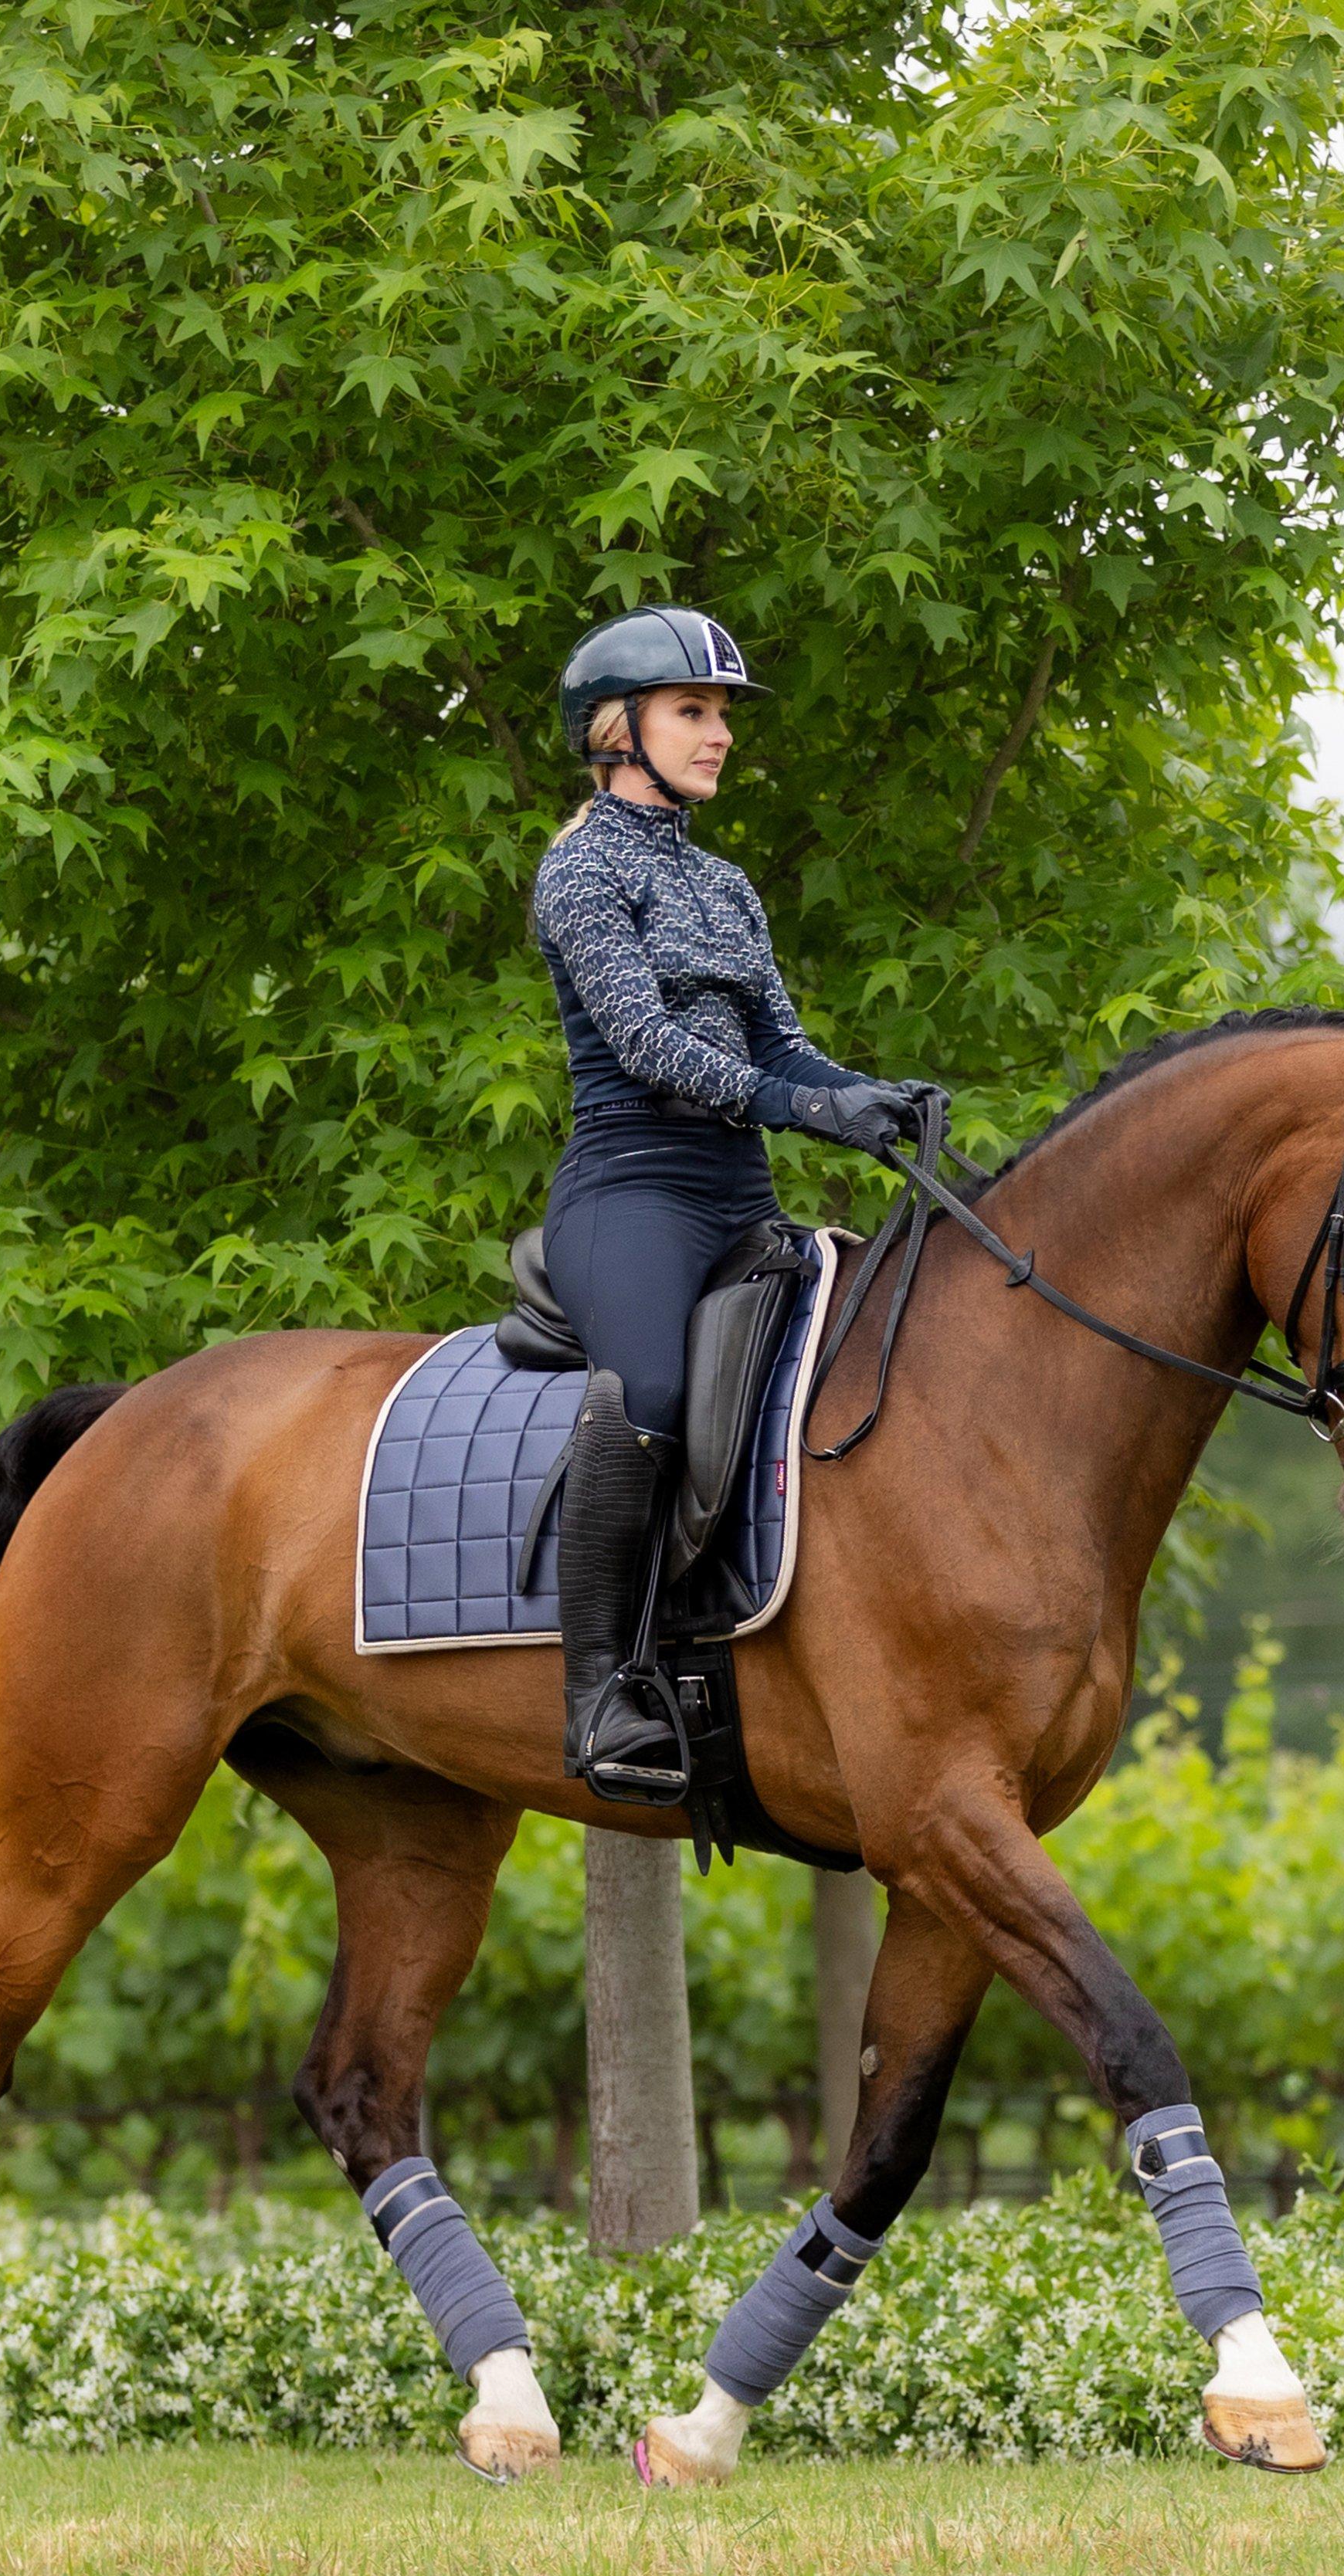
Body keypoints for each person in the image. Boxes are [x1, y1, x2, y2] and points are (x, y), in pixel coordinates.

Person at [531, 608, 921, 1804]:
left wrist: (868, 1097)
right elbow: (648, 1046)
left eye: (723, 717)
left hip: (736, 1192)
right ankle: (598, 1690)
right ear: (619, 728)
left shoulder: (726, 884)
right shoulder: (577, 869)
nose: (720, 737)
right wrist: (797, 1105)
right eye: (695, 712)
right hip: (631, 1188)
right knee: (646, 1392)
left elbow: (780, 1049)